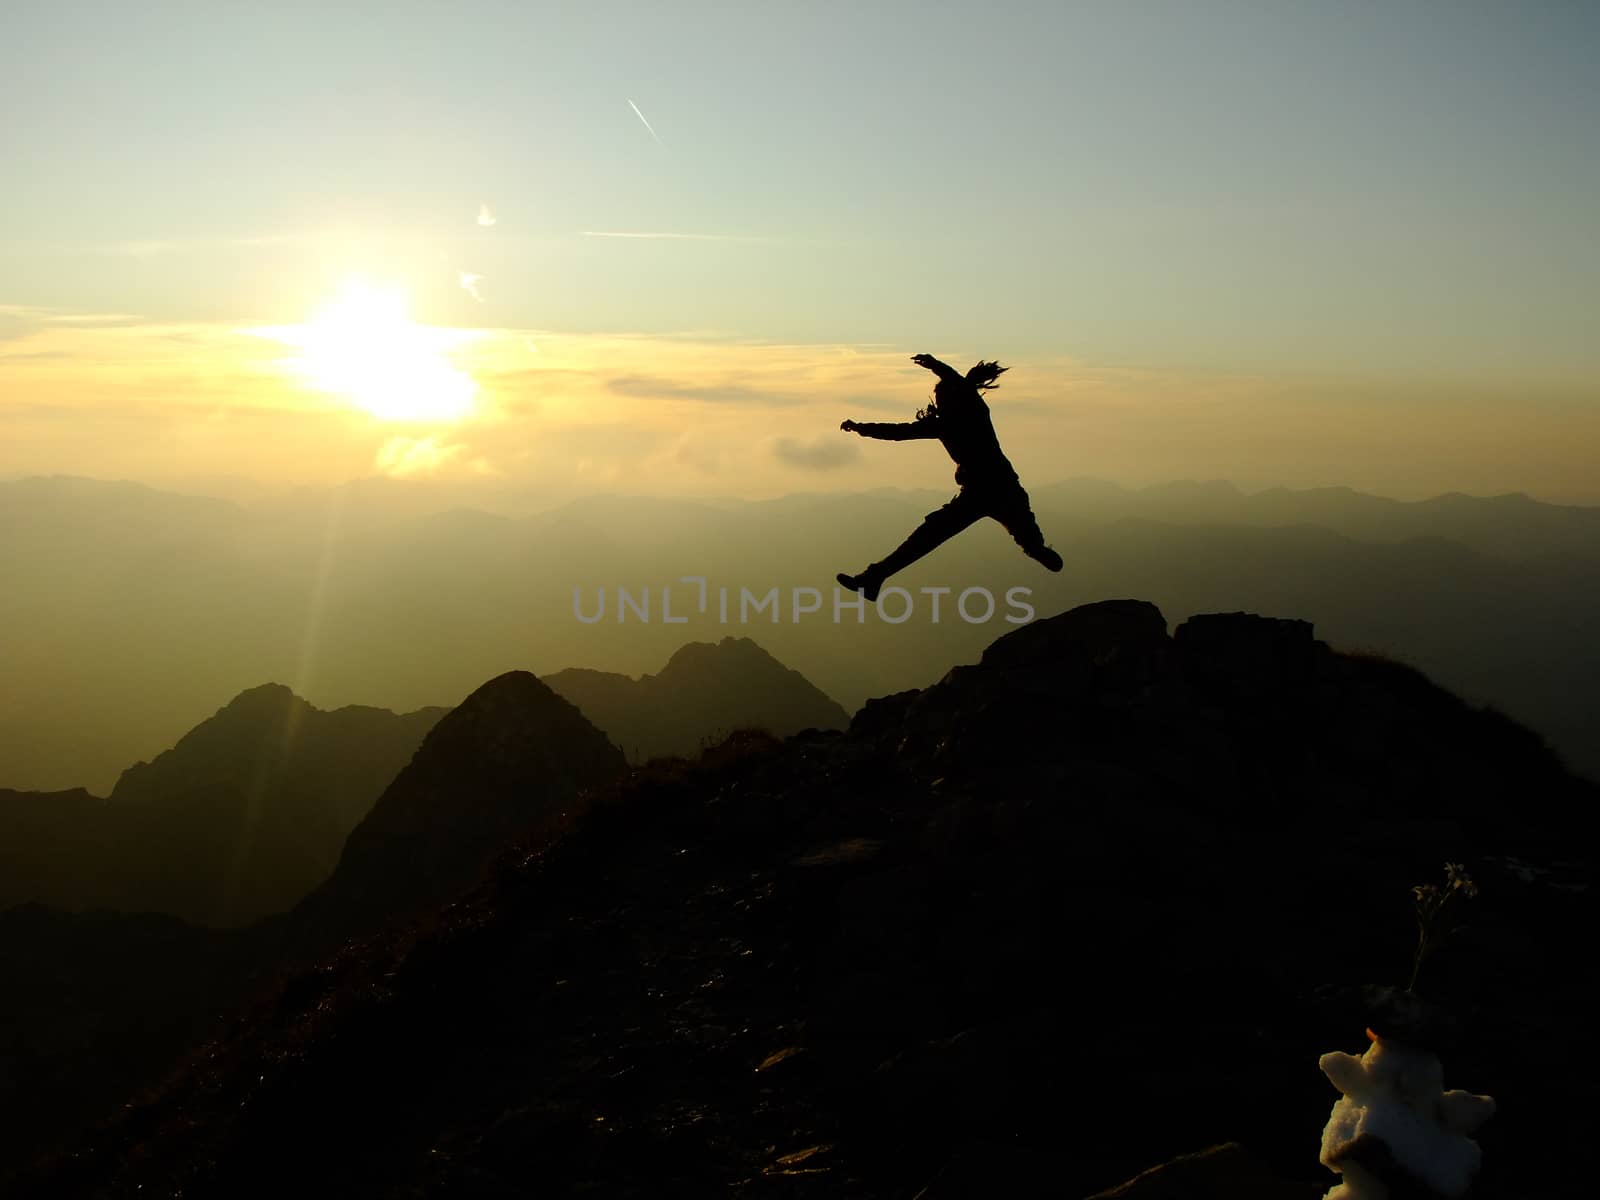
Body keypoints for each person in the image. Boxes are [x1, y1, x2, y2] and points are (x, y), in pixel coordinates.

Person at [835, 353, 1063, 601]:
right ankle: (873, 578)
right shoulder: (968, 414)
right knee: (931, 535)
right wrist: (861, 428)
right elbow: (899, 431)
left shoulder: (962, 416)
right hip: (1000, 488)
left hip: (984, 491)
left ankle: (873, 578)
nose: (941, 403)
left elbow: (899, 432)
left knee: (927, 537)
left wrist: (861, 428)